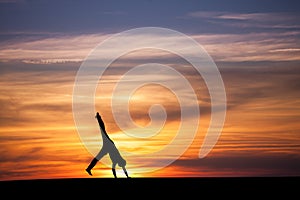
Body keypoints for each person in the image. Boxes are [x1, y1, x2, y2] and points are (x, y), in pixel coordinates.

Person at [85, 112, 130, 178]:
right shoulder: (117, 159)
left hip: (108, 148)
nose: (121, 166)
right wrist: (116, 177)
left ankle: (88, 169)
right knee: (103, 130)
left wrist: (127, 176)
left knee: (97, 158)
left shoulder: (118, 160)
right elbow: (115, 169)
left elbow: (122, 169)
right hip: (109, 145)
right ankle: (98, 117)